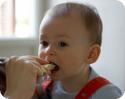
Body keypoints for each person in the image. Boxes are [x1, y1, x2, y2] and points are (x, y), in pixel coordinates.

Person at [0, 2, 122, 99]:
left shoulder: (107, 94)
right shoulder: (43, 83)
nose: (48, 51)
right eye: (44, 43)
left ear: (91, 54)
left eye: (62, 44)